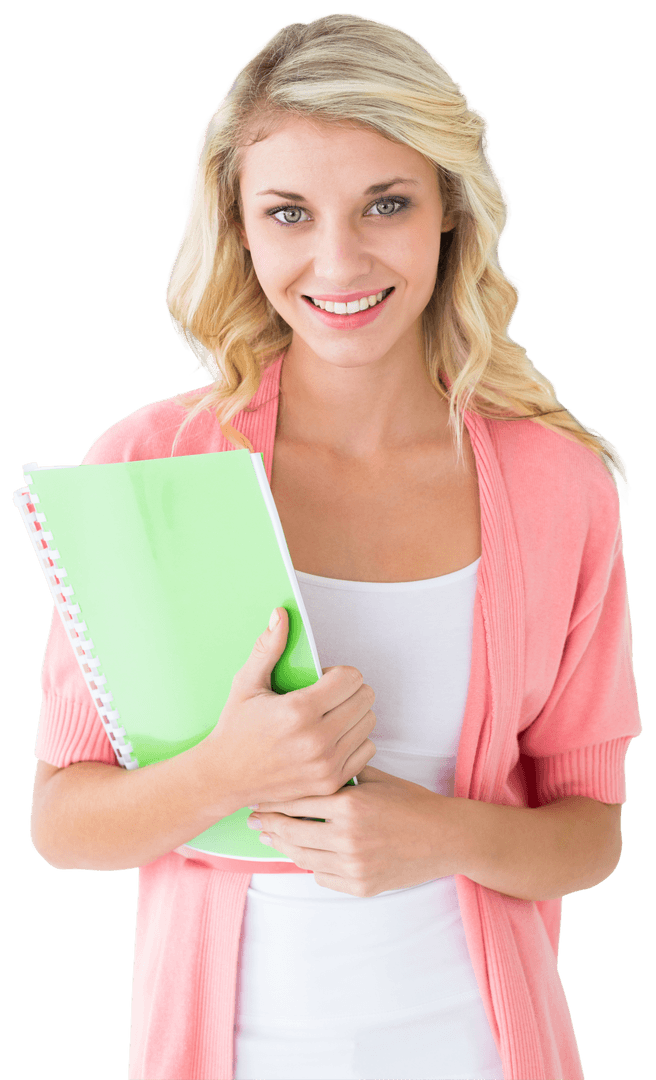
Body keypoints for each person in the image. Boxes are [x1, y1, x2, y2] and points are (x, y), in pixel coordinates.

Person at [28, 13, 642, 1080]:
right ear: (239, 224)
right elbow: (64, 821)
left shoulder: (557, 487)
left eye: (385, 204)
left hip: (482, 1051)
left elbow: (587, 830)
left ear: (448, 209)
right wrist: (228, 771)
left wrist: (437, 836)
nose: (337, 260)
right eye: (288, 213)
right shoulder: (148, 466)